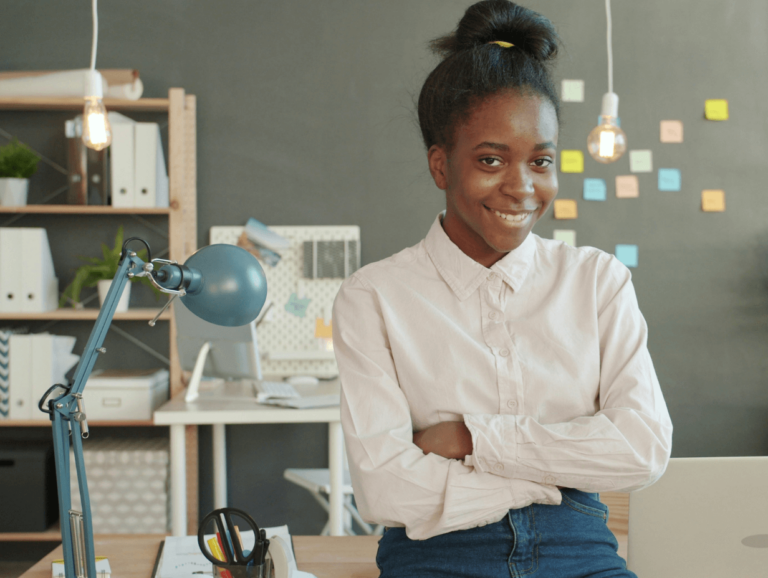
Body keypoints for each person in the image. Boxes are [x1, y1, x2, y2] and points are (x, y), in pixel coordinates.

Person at [331, 1, 673, 576]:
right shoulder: (374, 297)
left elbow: (642, 451)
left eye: (540, 161)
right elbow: (386, 490)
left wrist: (472, 439)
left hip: (579, 552)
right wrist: (546, 479)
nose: (522, 187)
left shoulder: (598, 281)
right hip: (438, 556)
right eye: (491, 160)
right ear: (441, 166)